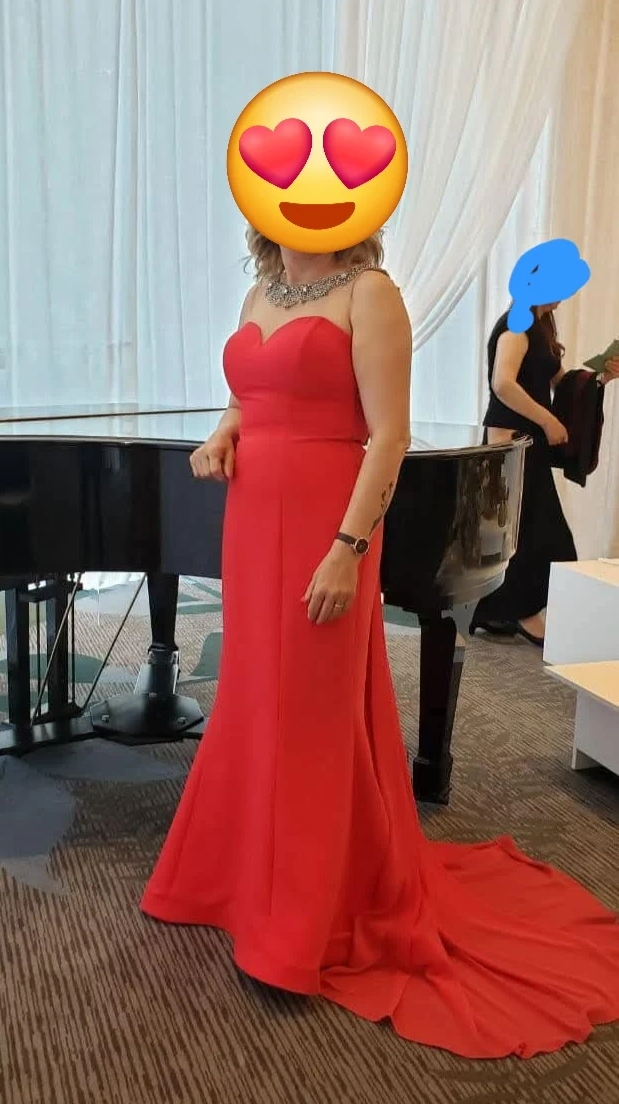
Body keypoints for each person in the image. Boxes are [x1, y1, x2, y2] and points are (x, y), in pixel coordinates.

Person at [141, 233, 619, 1059]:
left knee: (313, 715)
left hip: (330, 519)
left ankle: (307, 914)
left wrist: (348, 548)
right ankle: (239, 883)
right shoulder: (259, 293)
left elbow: (388, 435)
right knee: (255, 698)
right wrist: (223, 434)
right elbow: (247, 399)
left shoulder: (371, 292)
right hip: (251, 519)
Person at [471, 303, 619, 645]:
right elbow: (502, 383)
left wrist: (600, 378)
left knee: (524, 530)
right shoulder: (516, 325)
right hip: (509, 444)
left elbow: (562, 384)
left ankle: (498, 611)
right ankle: (524, 613)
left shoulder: (541, 328)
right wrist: (548, 419)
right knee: (532, 532)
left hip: (529, 443)